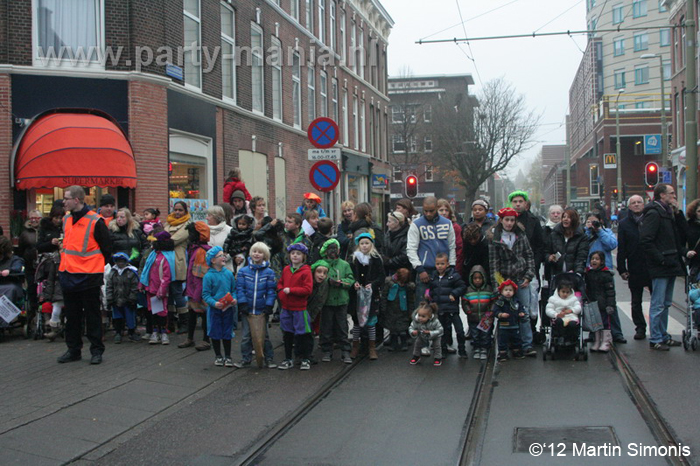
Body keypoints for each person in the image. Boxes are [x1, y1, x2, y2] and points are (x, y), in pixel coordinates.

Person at [56, 186, 111, 365]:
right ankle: (73, 350)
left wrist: (97, 267)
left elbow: (107, 248)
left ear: (77, 200)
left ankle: (96, 351)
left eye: (66, 198)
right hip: (68, 273)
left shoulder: (96, 221)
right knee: (72, 316)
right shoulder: (66, 218)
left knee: (92, 315)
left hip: (89, 275)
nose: (64, 202)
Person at [640, 183, 688, 351]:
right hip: (661, 264)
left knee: (666, 302)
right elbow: (646, 239)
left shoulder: (669, 213)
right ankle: (656, 338)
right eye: (671, 194)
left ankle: (662, 335)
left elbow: (683, 234)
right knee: (658, 303)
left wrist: (678, 212)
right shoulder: (654, 213)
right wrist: (660, 259)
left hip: (671, 263)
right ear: (662, 196)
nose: (674, 196)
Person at [488, 207, 536, 357]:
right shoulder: (495, 238)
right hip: (505, 280)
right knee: (505, 312)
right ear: (501, 220)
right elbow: (494, 264)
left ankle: (527, 344)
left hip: (521, 278)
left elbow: (529, 255)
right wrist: (498, 286)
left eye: (512, 220)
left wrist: (529, 275)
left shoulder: (520, 235)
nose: (509, 223)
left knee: (524, 312)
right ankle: (505, 344)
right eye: (506, 220)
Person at [584, 211, 625, 344]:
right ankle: (594, 332)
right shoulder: (584, 234)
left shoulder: (606, 232)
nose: (591, 224)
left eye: (594, 221)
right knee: (592, 304)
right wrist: (588, 231)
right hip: (589, 272)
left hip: (605, 271)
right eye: (589, 221)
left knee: (609, 302)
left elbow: (612, 245)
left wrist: (599, 230)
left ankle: (616, 332)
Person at [234, 242, 277, 368]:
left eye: (260, 252)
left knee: (264, 336)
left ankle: (269, 358)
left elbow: (271, 291)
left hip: (262, 309)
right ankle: (246, 358)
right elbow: (240, 289)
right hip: (247, 309)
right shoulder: (243, 271)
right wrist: (242, 303)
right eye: (254, 251)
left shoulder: (269, 272)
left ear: (265, 255)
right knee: (246, 336)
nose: (256, 254)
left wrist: (269, 305)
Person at [407, 196, 456, 303]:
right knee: (423, 307)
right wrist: (420, 269)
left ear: (436, 209)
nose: (428, 214)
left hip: (445, 270)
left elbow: (452, 246)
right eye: (425, 211)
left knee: (444, 307)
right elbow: (411, 249)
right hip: (425, 271)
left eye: (431, 211)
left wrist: (452, 267)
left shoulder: (447, 224)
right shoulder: (416, 224)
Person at [617, 195, 652, 340]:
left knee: (657, 299)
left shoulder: (651, 219)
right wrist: (622, 269)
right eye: (634, 203)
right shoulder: (624, 223)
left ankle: (657, 328)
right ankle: (640, 328)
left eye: (639, 202)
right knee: (636, 300)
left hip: (652, 265)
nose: (637, 205)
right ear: (629, 206)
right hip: (635, 265)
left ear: (644, 205)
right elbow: (622, 248)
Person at [277, 243, 314, 370]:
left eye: (298, 254)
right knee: (287, 334)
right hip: (286, 307)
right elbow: (280, 283)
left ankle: (306, 358)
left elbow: (307, 289)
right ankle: (288, 358)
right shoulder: (286, 269)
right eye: (293, 253)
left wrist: (291, 290)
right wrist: (282, 292)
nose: (295, 256)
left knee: (303, 334)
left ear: (303, 256)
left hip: (300, 308)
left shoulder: (306, 271)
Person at [319, 239, 355, 364]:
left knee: (342, 325)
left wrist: (343, 283)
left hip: (341, 299)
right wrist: (327, 281)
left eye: (335, 249)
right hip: (327, 300)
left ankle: (345, 350)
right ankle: (327, 349)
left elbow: (351, 279)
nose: (333, 252)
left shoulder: (344, 264)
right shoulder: (322, 264)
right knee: (326, 326)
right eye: (330, 249)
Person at [350, 232, 384, 360]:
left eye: (367, 243)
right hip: (357, 296)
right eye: (362, 243)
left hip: (371, 295)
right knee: (357, 322)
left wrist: (373, 285)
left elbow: (381, 276)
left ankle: (372, 346)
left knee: (371, 322)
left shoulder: (376, 259)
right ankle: (355, 346)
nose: (364, 246)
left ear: (371, 245)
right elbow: (351, 275)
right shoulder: (354, 259)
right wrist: (354, 283)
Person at [202, 246, 238, 367]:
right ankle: (218, 355)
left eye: (223, 255)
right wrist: (214, 303)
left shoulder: (228, 274)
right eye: (220, 256)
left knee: (227, 332)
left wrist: (234, 299)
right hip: (214, 310)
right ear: (212, 260)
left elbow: (234, 290)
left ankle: (228, 356)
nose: (224, 257)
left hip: (228, 309)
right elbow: (206, 294)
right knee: (215, 332)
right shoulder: (208, 276)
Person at [179, 222, 212, 350]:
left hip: (198, 290)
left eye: (191, 233)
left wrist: (197, 295)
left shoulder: (200, 252)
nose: (189, 236)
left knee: (203, 315)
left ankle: (206, 340)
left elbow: (200, 276)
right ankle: (190, 338)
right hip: (193, 289)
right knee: (192, 314)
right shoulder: (194, 249)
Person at [428, 252, 467, 358]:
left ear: (447, 264)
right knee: (442, 331)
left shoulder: (453, 275)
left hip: (452, 308)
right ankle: (443, 349)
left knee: (459, 330)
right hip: (440, 309)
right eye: (437, 264)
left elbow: (462, 286)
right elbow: (432, 289)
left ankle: (462, 350)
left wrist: (454, 293)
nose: (440, 266)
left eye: (442, 264)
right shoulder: (434, 276)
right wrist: (430, 296)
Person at [142, 231, 175, 345]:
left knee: (162, 311)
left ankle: (163, 331)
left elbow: (167, 276)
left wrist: (162, 290)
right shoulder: (153, 254)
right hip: (151, 288)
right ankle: (155, 331)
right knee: (153, 310)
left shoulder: (166, 256)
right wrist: (143, 284)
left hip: (160, 289)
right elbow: (146, 269)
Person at [164, 201, 192, 334]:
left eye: (180, 210)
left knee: (177, 291)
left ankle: (184, 323)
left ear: (185, 211)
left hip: (178, 260)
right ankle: (170, 322)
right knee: (168, 292)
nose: (177, 212)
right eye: (175, 209)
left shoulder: (188, 224)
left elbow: (174, 240)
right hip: (165, 261)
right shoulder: (168, 222)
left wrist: (162, 242)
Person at [105, 252, 141, 343]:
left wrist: (132, 299)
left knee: (130, 317)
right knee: (117, 318)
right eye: (118, 261)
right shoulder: (113, 272)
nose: (120, 263)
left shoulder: (131, 271)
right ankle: (118, 333)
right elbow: (109, 286)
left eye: (122, 261)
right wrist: (110, 299)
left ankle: (132, 333)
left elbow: (135, 286)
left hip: (128, 300)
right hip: (116, 300)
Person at [585, 251, 617, 352]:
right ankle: (597, 341)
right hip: (593, 303)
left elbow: (610, 292)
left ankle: (606, 341)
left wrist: (610, 305)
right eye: (592, 259)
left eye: (597, 259)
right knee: (596, 323)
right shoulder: (589, 274)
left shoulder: (606, 275)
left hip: (604, 304)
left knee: (605, 322)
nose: (594, 261)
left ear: (602, 261)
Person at [462, 265, 495, 360]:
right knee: (475, 334)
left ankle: (484, 348)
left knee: (485, 334)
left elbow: (493, 301)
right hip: (473, 317)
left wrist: (491, 310)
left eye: (479, 278)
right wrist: (468, 311)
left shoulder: (488, 289)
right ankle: (476, 348)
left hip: (486, 317)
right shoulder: (468, 290)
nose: (477, 280)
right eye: (475, 278)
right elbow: (464, 302)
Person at [508, 191, 545, 275]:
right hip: (510, 267)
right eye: (515, 201)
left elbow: (540, 244)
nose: (518, 204)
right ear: (511, 203)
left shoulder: (534, 220)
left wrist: (535, 264)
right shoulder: (505, 220)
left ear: (525, 203)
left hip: (530, 266)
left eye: (520, 201)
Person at [545, 209, 589, 277]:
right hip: (556, 274)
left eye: (568, 217)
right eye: (564, 217)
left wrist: (577, 272)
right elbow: (546, 251)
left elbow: (581, 257)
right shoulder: (554, 234)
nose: (565, 219)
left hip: (573, 275)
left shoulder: (582, 236)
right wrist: (549, 257)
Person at [380, 267, 415, 352]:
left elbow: (410, 300)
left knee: (402, 327)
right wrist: (383, 308)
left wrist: (411, 312)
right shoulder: (389, 284)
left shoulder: (408, 287)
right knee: (393, 329)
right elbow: (384, 296)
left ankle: (404, 342)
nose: (402, 284)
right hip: (391, 308)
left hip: (403, 309)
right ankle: (393, 343)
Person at [17, 209, 41, 329]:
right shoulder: (25, 233)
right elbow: (21, 250)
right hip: (30, 266)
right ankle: (33, 313)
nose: (34, 220)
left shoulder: (43, 231)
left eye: (36, 218)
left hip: (43, 266)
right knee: (31, 289)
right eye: (32, 218)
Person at [493, 280, 525, 362]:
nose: (508, 292)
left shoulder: (516, 301)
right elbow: (495, 311)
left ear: (514, 292)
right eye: (506, 290)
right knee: (503, 340)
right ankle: (503, 353)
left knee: (516, 339)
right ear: (502, 291)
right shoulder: (500, 302)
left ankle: (516, 352)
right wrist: (500, 314)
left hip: (514, 324)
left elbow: (521, 308)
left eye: (510, 290)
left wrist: (521, 313)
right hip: (503, 325)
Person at [545, 279, 582, 346]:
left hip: (571, 317)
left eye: (567, 292)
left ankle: (570, 338)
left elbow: (578, 307)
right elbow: (548, 310)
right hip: (558, 317)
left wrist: (572, 310)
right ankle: (560, 337)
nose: (565, 294)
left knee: (572, 324)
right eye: (563, 292)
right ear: (559, 291)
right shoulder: (553, 299)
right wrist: (556, 314)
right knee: (558, 322)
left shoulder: (573, 299)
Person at [408, 302, 444, 366]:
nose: (420, 318)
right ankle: (416, 356)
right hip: (421, 335)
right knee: (417, 344)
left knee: (437, 346)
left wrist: (430, 332)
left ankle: (438, 358)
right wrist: (413, 332)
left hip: (435, 335)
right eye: (419, 315)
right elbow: (411, 327)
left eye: (423, 316)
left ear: (429, 316)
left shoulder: (435, 321)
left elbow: (440, 330)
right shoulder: (416, 321)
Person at [437, 199, 464, 275]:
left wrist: (456, 267)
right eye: (441, 210)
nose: (444, 213)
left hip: (450, 265)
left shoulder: (455, 227)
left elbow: (459, 248)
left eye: (446, 210)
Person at [383, 211, 411, 276]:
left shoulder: (407, 236)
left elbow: (405, 256)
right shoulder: (388, 233)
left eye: (389, 222)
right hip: (387, 270)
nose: (387, 224)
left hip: (401, 273)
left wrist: (389, 262)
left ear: (397, 223)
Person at [206, 206, 233, 272]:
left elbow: (233, 249)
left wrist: (221, 259)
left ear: (216, 217)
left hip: (225, 270)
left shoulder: (229, 230)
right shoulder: (204, 230)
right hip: (209, 271)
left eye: (209, 216)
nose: (206, 218)